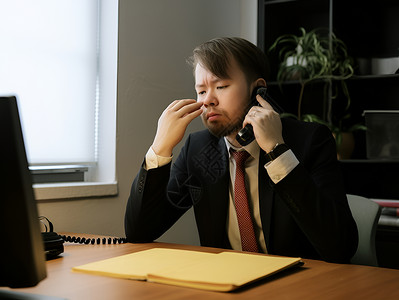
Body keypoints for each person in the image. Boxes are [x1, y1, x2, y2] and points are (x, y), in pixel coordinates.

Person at [125, 37, 358, 263]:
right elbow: (140, 231)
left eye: (221, 86)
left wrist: (277, 152)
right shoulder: (197, 149)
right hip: (228, 285)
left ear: (258, 91)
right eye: (202, 91)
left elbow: (340, 247)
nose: (208, 101)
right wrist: (160, 147)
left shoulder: (311, 141)